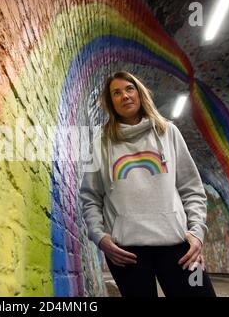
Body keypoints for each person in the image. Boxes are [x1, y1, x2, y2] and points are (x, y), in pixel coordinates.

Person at [79, 71, 216, 297]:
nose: (125, 96)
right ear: (110, 102)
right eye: (117, 93)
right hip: (125, 253)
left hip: (179, 246)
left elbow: (192, 189)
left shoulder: (168, 131)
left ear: (140, 93)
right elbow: (90, 198)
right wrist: (100, 237)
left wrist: (197, 233)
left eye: (129, 89)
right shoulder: (100, 145)